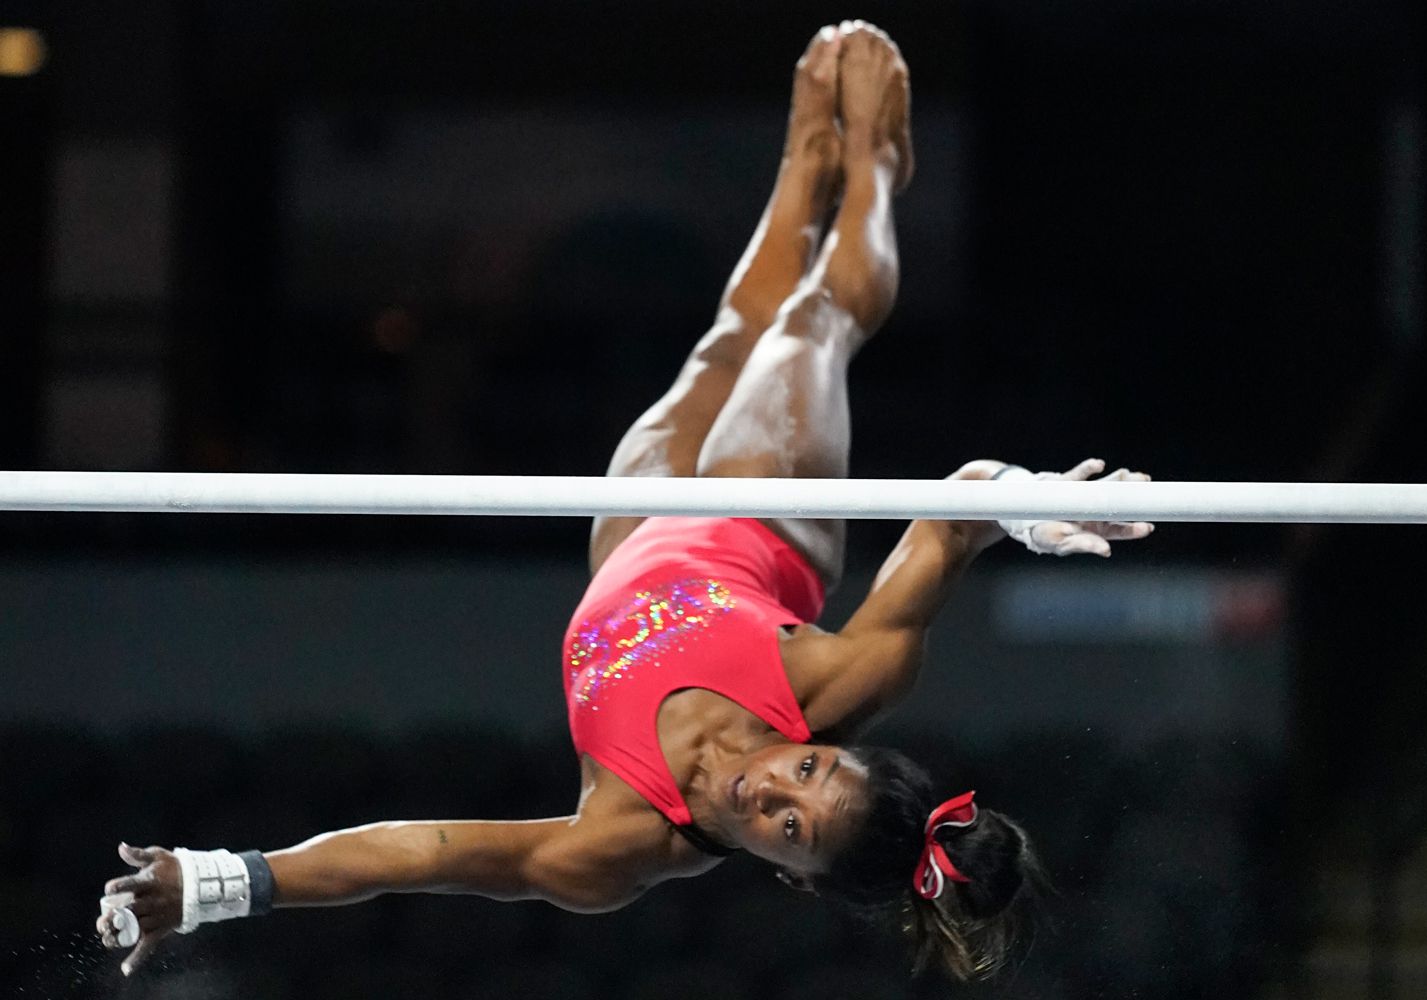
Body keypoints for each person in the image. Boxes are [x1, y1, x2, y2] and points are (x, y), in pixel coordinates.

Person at [96, 21, 1153, 982]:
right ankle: (872, 174)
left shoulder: (615, 845)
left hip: (634, 532)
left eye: (789, 828)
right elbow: (952, 508)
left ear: (788, 873)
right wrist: (1026, 501)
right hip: (762, 518)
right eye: (810, 770)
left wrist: (218, 882)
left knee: (729, 337)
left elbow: (425, 851)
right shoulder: (837, 675)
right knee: (808, 322)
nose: (770, 791)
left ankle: (804, 169)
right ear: (822, 741)